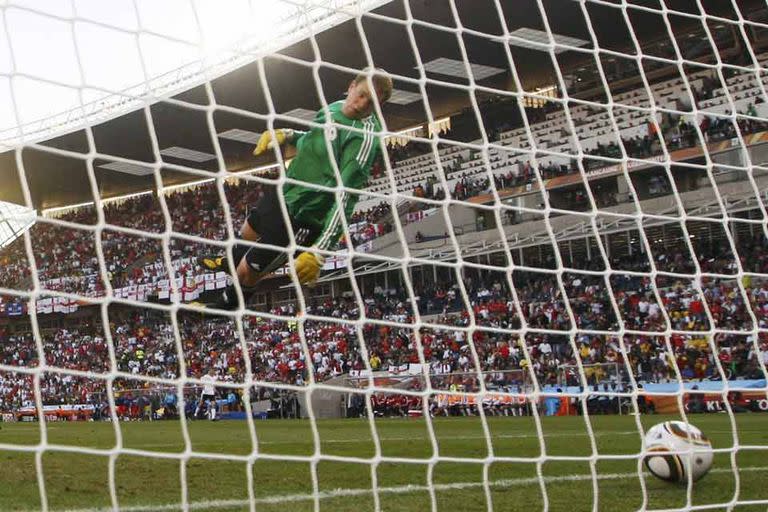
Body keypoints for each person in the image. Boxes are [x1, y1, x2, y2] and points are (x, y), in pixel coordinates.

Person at [197, 68, 393, 309]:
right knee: (249, 229)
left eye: (371, 101)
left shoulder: (363, 138)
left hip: (305, 214)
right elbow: (313, 139)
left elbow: (346, 198)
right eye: (361, 94)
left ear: (379, 105)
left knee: (247, 271)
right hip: (286, 191)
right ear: (352, 86)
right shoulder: (334, 107)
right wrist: (287, 135)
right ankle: (229, 263)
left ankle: (227, 306)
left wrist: (320, 252)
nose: (362, 104)